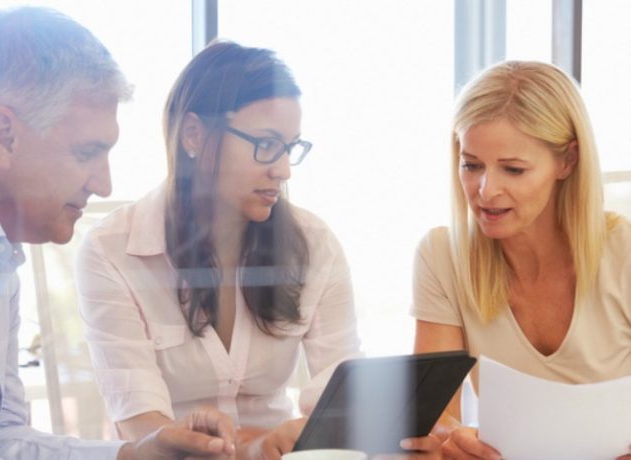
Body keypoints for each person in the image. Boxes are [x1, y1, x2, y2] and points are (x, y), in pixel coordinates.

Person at [0, 7, 236, 459]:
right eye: (87, 152)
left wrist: (136, 455)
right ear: (4, 135)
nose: (103, 184)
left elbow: (0, 440)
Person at [75, 40, 362, 459]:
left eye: (289, 148)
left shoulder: (314, 245)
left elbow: (343, 390)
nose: (282, 170)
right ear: (194, 133)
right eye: (265, 143)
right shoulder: (113, 252)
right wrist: (254, 445)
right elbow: (142, 429)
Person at [410, 60, 631, 459]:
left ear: (567, 161)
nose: (485, 190)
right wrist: (450, 440)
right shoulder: (442, 255)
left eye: (513, 169)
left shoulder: (625, 252)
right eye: (471, 164)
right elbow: (434, 415)